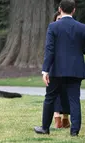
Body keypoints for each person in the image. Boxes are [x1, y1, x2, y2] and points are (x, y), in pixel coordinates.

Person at [34, 0, 85, 136]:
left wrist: (45, 70)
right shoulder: (82, 27)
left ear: (60, 9)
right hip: (76, 69)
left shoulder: (53, 26)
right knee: (74, 99)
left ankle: (45, 128)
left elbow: (49, 49)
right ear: (74, 10)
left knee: (50, 97)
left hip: (57, 69)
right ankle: (74, 131)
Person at [52, 11, 70, 129]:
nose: (60, 21)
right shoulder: (53, 31)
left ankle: (64, 118)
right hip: (55, 66)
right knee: (55, 92)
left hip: (67, 66)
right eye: (58, 19)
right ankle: (58, 117)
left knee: (66, 91)